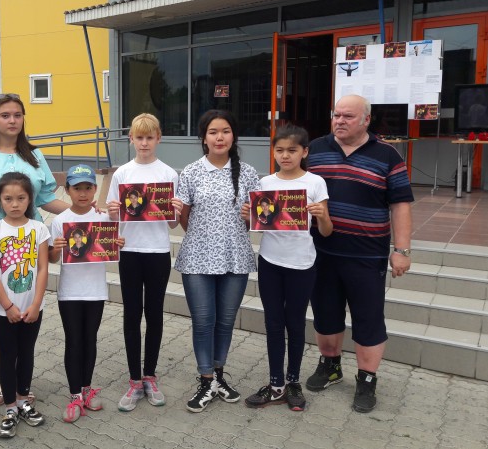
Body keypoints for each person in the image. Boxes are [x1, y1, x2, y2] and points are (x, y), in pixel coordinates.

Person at [0, 93, 69, 406]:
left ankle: (22, 380)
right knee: (0, 309)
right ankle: (6, 378)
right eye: (5, 115)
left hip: (29, 241)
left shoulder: (34, 156)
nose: (12, 120)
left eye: (17, 115)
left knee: (26, 302)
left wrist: (83, 212)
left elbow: (47, 198)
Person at [306, 94, 413, 413]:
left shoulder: (387, 155)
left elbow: (400, 205)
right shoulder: (315, 149)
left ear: (366, 120)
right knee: (325, 314)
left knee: (368, 319)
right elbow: (291, 189)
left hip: (367, 256)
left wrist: (401, 250)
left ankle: (367, 379)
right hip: (321, 252)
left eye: (348, 116)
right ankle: (330, 366)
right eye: (336, 114)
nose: (339, 120)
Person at [241, 124, 332, 412]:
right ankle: (276, 384)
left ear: (304, 152)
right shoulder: (265, 183)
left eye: (292, 150)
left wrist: (321, 216)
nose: (285, 155)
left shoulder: (315, 183)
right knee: (273, 323)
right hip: (270, 262)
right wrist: (247, 216)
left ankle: (293, 382)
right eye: (279, 150)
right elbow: (257, 225)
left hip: (302, 264)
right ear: (273, 152)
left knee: (295, 323)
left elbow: (327, 231)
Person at [175, 109, 260, 413]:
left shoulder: (248, 173)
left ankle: (219, 376)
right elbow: (184, 218)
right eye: (213, 132)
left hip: (235, 257)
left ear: (233, 136)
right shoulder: (190, 172)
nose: (219, 137)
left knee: (225, 321)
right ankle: (205, 380)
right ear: (204, 138)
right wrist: (205, 238)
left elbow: (258, 220)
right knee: (203, 321)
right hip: (197, 259)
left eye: (225, 131)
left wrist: (250, 217)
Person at [105, 113, 182, 412]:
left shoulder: (169, 174)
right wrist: (113, 212)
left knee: (155, 314)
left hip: (158, 252)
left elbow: (173, 224)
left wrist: (175, 211)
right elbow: (113, 219)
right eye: (140, 137)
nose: (145, 143)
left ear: (158, 139)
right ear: (131, 139)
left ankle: (150, 375)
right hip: (130, 252)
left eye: (150, 137)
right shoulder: (122, 174)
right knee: (131, 314)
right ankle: (134, 380)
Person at [49, 164, 125, 423]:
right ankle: (74, 396)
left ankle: (86, 388)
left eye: (88, 188)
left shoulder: (103, 219)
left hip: (95, 291)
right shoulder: (59, 221)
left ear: (94, 189)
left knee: (90, 340)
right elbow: (51, 258)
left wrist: (118, 243)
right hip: (69, 292)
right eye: (77, 188)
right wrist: (56, 248)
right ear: (67, 190)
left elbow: (112, 246)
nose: (82, 193)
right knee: (74, 341)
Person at [0, 172, 50, 438]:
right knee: (7, 356)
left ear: (29, 199)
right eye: (8, 198)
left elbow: (43, 268)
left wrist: (36, 304)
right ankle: (10, 406)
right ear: (0, 200)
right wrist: (7, 306)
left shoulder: (39, 229)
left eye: (21, 198)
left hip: (32, 308)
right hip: (3, 311)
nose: (14, 204)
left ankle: (23, 400)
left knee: (27, 354)